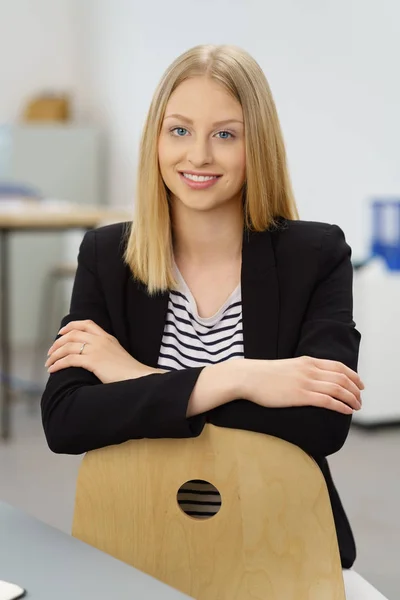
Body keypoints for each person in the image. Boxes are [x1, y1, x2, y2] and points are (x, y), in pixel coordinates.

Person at [41, 44, 363, 569]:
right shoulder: (107, 256)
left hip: (278, 533)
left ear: (256, 145)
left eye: (225, 135)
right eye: (180, 130)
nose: (198, 156)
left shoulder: (317, 255)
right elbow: (66, 421)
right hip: (137, 531)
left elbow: (320, 427)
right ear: (156, 140)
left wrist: (132, 378)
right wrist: (240, 378)